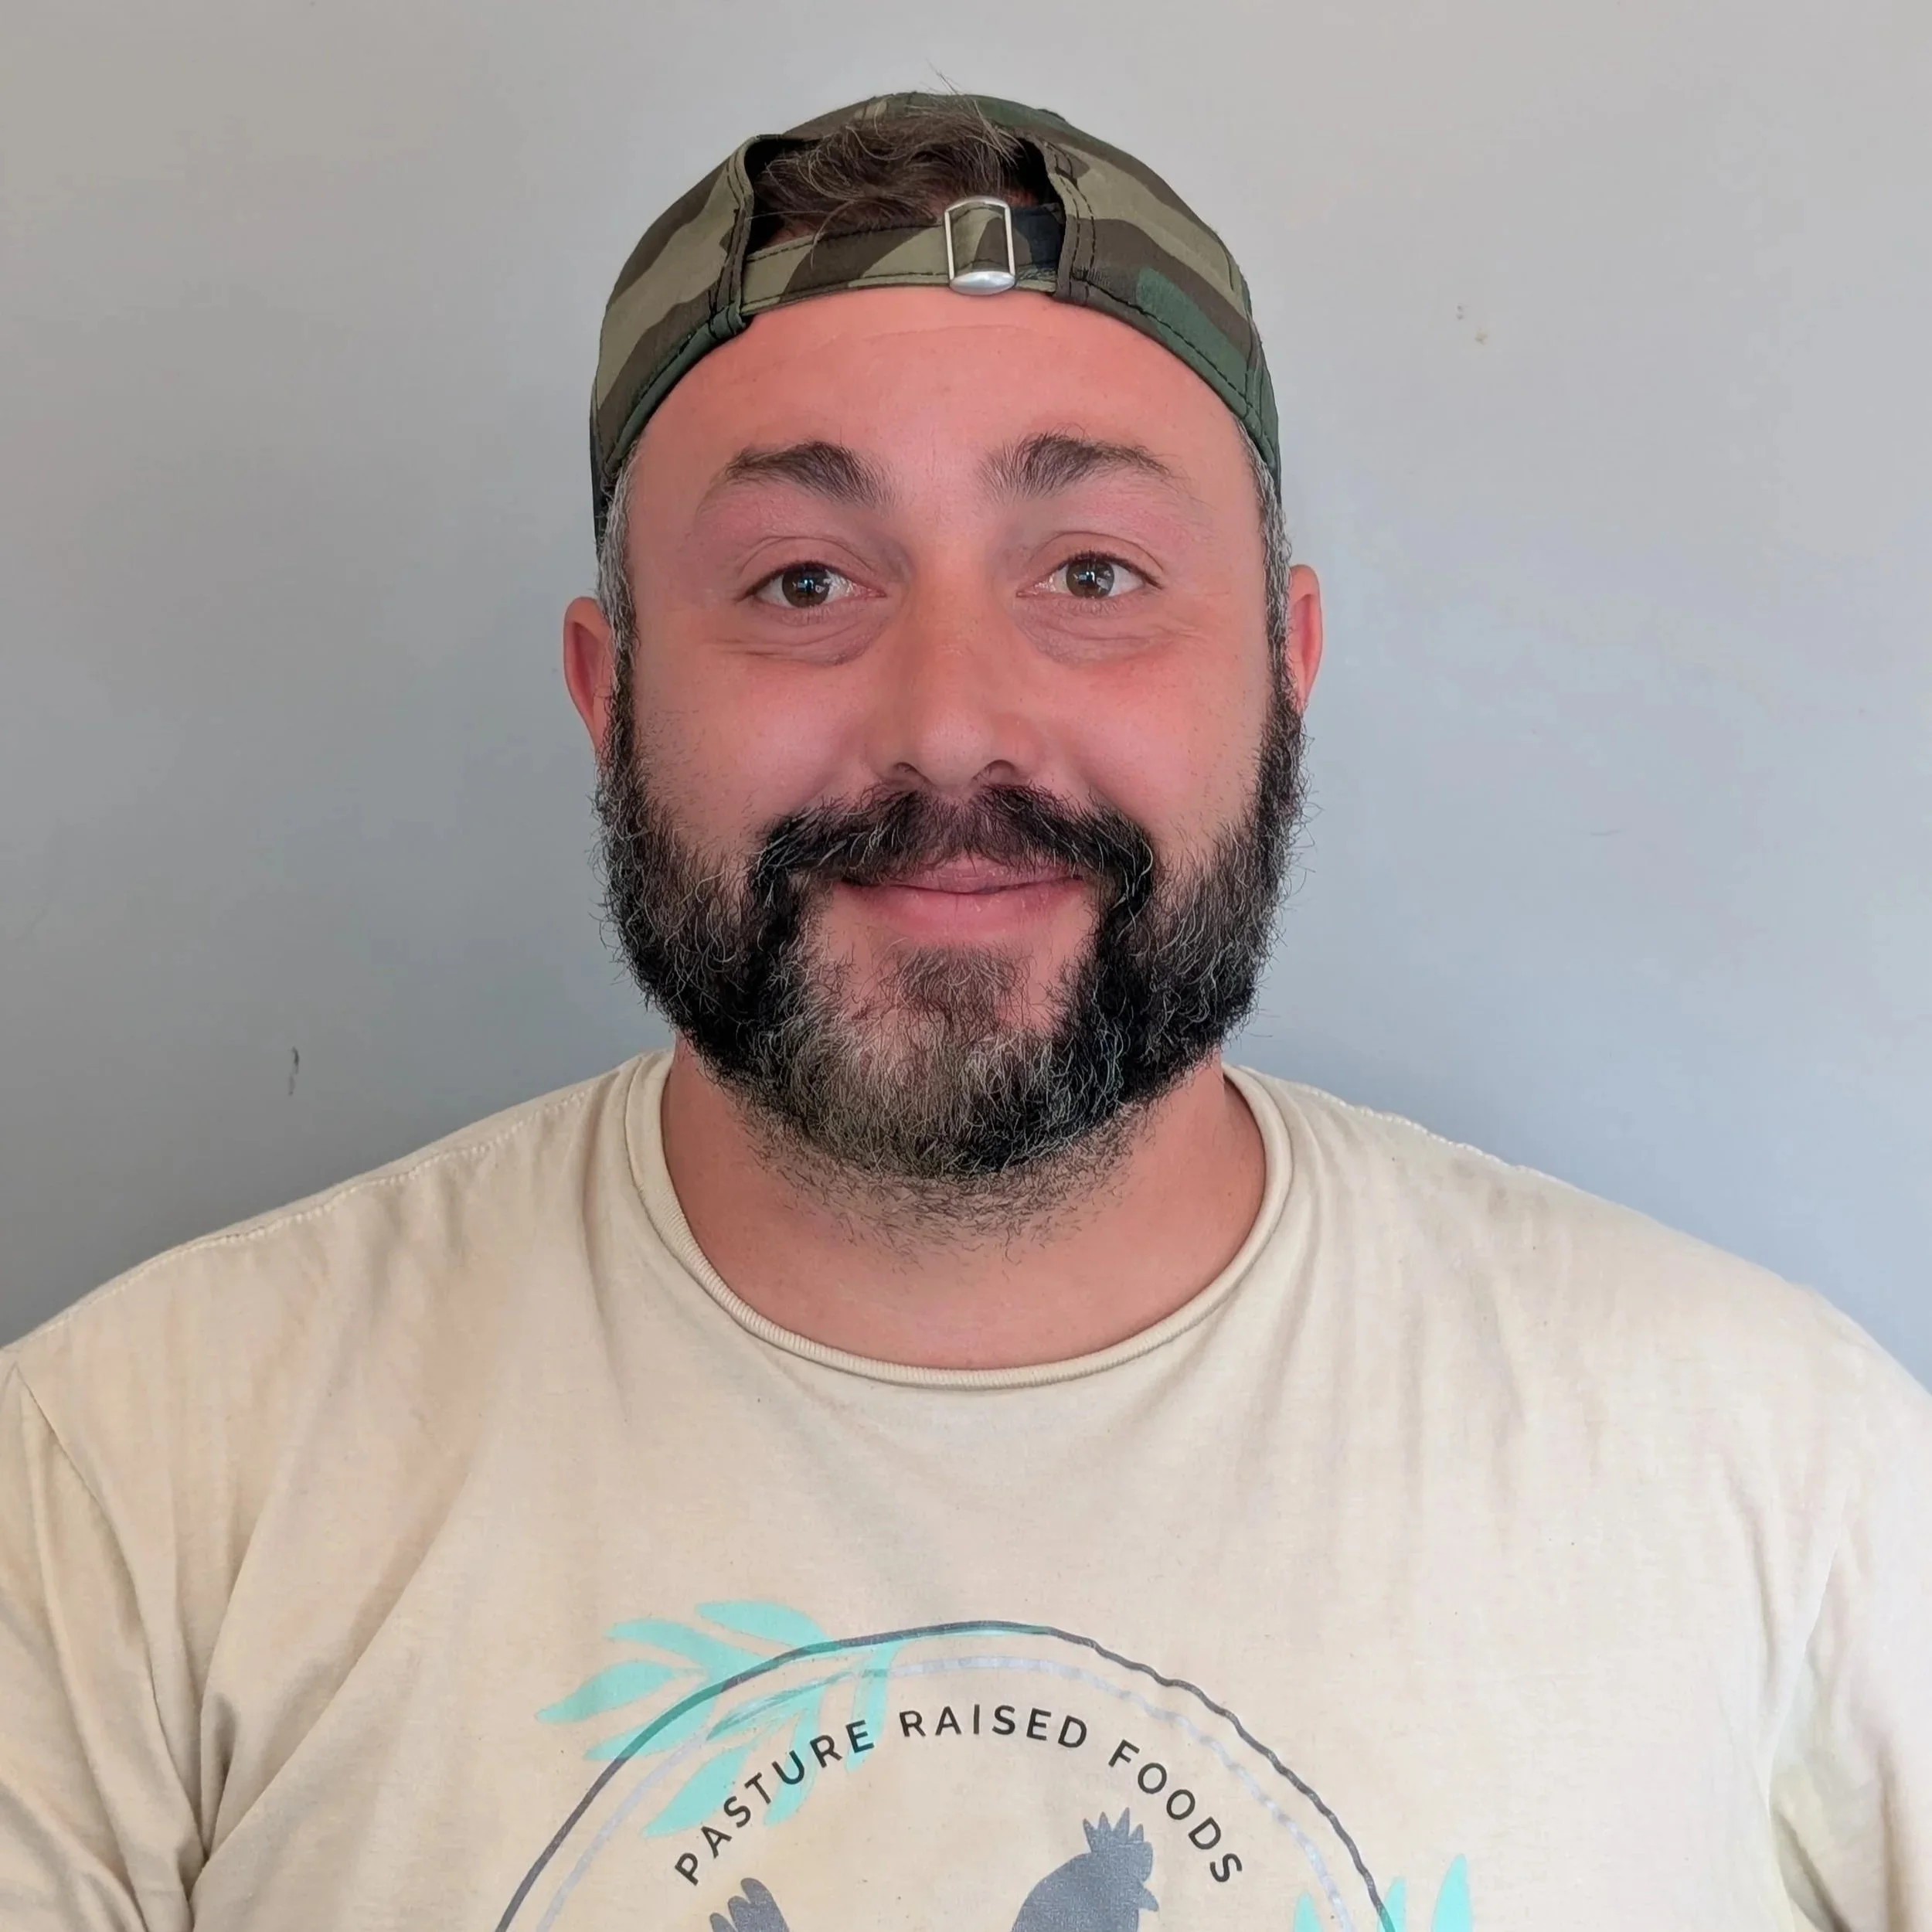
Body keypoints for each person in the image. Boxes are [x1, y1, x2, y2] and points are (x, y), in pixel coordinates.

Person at [0, 91, 1925, 1932]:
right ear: (609, 693)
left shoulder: (1781, 1475)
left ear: (1283, 666)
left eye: (1090, 571)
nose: (945, 724)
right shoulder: (123, 1487)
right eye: (801, 580)